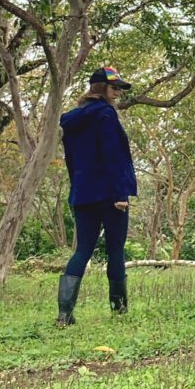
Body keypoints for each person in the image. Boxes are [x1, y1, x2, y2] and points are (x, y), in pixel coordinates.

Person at [56, 66, 138, 326]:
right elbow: (112, 155)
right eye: (114, 88)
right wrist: (120, 193)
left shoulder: (72, 120)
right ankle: (119, 311)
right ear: (101, 88)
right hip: (110, 194)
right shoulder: (105, 115)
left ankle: (64, 314)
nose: (117, 93)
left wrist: (78, 187)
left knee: (82, 250)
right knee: (115, 250)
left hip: (83, 193)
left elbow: (72, 161)